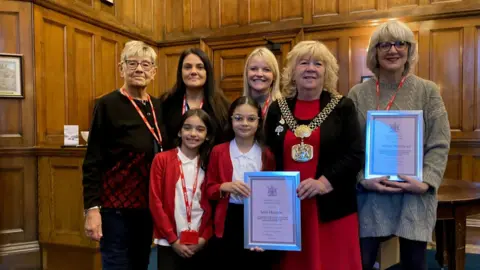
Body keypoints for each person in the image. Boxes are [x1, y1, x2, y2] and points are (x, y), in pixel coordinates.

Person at [347, 20, 451, 270]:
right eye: (384, 44)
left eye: (399, 43)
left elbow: (440, 142)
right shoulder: (358, 94)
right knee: (361, 263)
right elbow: (349, 148)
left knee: (414, 264)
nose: (392, 50)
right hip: (370, 197)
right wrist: (362, 179)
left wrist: (425, 181)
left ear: (409, 50)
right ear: (374, 52)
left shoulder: (428, 91)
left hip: (413, 196)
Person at [265, 40, 363, 270]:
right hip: (288, 210)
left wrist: (323, 182)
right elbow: (268, 155)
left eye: (318, 63)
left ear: (326, 71)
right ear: (292, 71)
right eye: (303, 63)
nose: (310, 68)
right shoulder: (277, 109)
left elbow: (355, 154)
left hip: (332, 207)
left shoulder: (343, 107)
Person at [82, 40, 162, 269]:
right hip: (115, 209)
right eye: (132, 63)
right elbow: (92, 161)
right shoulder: (107, 104)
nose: (139, 69)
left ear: (154, 72)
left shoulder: (157, 106)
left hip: (147, 209)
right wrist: (92, 209)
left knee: (140, 264)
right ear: (121, 68)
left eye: (146, 65)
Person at [206, 96, 276, 270]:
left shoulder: (266, 154)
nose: (244, 123)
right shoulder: (219, 151)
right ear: (231, 120)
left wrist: (266, 233)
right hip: (228, 218)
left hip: (257, 218)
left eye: (251, 119)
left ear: (259, 122)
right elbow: (209, 189)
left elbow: (274, 194)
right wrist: (224, 186)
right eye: (238, 118)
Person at [149, 109, 215, 270]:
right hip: (169, 242)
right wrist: (173, 239)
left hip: (200, 243)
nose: (193, 134)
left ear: (207, 135)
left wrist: (204, 238)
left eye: (200, 129)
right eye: (187, 128)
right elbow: (155, 202)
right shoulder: (162, 160)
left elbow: (216, 204)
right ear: (179, 131)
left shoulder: (210, 162)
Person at [160, 48, 230, 150]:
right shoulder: (166, 103)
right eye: (188, 67)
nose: (193, 72)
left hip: (210, 164)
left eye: (200, 67)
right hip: (174, 164)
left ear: (207, 72)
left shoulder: (223, 107)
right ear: (180, 72)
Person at [242, 48, 282, 117]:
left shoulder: (283, 109)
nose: (259, 74)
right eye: (253, 69)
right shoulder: (238, 108)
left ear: (274, 76)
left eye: (266, 70)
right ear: (246, 73)